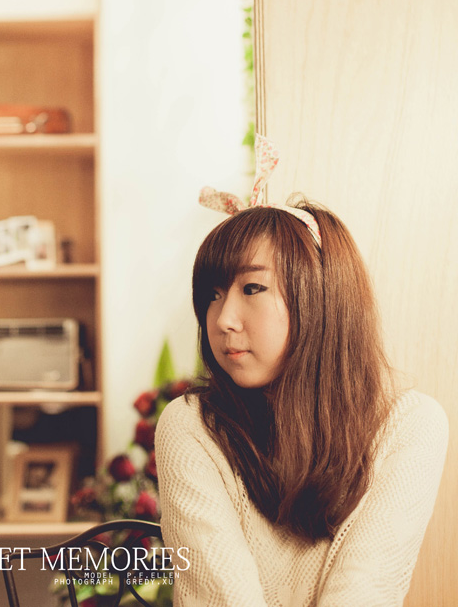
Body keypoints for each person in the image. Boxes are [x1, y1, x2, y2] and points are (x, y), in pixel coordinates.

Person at [155, 136, 448, 607]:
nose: (223, 319)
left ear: (320, 297)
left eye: (253, 288)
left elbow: (364, 592)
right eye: (212, 294)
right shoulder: (191, 427)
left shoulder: (410, 426)